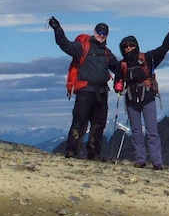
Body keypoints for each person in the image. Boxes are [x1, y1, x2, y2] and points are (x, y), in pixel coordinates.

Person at [49, 17, 121, 161]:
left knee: (99, 123)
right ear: (94, 32)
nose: (101, 35)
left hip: (101, 92)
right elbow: (65, 45)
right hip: (85, 91)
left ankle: (94, 153)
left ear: (107, 35)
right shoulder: (83, 47)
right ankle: (71, 150)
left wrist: (121, 78)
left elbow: (118, 68)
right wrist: (58, 29)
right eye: (99, 32)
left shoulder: (107, 53)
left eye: (104, 33)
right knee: (79, 121)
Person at [115, 23, 169, 170]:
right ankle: (145, 161)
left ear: (135, 46)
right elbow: (118, 80)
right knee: (139, 131)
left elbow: (164, 48)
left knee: (149, 131)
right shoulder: (125, 64)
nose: (128, 49)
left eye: (131, 46)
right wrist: (117, 85)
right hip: (138, 99)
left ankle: (154, 162)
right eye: (125, 47)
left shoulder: (146, 58)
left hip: (139, 99)